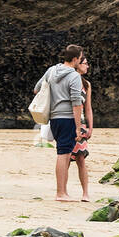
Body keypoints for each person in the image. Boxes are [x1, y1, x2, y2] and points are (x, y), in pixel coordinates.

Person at [33, 45, 84, 202]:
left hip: (53, 118)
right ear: (75, 59)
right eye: (80, 58)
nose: (81, 61)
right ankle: (61, 193)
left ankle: (62, 192)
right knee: (63, 155)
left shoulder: (51, 71)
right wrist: (78, 127)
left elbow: (36, 89)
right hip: (68, 118)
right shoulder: (74, 76)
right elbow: (76, 103)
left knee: (62, 152)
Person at [69, 54, 93, 202]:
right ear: (77, 64)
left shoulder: (87, 84)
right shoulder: (69, 80)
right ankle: (62, 191)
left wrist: (90, 127)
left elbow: (88, 107)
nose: (87, 66)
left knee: (81, 158)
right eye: (85, 63)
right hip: (67, 122)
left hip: (82, 124)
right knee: (64, 157)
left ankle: (85, 193)